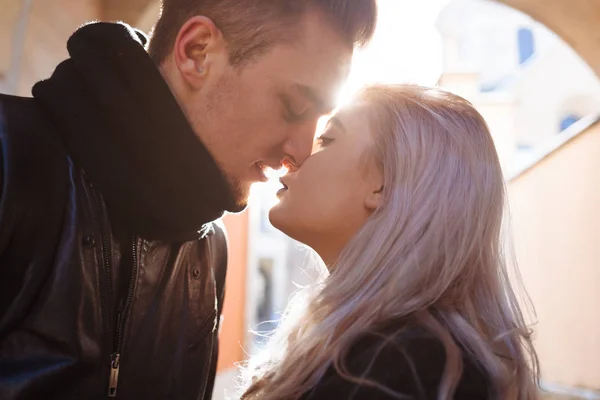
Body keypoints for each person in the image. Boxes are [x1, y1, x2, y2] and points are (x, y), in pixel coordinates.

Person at [0, 1, 377, 399]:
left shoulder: (209, 247)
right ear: (197, 52)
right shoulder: (9, 156)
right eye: (294, 107)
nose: (300, 153)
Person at [240, 85, 540, 399]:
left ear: (384, 185)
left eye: (326, 140)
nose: (295, 157)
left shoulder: (411, 367)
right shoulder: (393, 352)